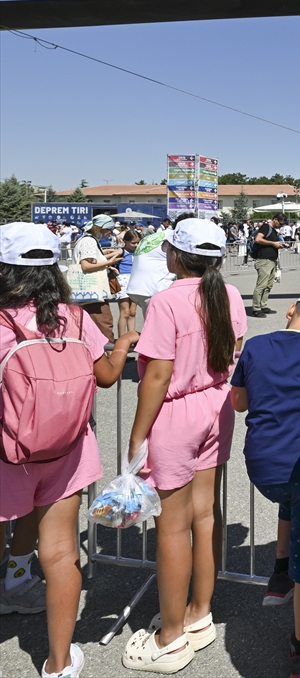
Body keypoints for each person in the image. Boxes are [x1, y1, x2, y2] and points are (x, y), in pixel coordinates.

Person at [0, 223, 135, 678]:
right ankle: (59, 664)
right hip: (65, 453)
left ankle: (13, 586)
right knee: (60, 554)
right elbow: (107, 376)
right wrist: (126, 342)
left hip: (5, 457)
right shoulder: (74, 317)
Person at [122, 219, 247, 673]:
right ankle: (198, 613)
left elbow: (156, 374)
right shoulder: (229, 294)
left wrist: (137, 435)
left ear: (175, 254)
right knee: (204, 513)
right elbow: (234, 345)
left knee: (171, 526)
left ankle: (170, 636)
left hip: (176, 413)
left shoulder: (167, 300)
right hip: (216, 405)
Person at [231, 286, 300, 678]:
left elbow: (239, 402)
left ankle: (280, 571)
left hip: (261, 465)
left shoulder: (256, 346)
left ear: (292, 310)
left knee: (288, 499)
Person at [71, 214, 123, 342]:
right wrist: (109, 262)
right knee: (104, 323)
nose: (108, 234)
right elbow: (86, 265)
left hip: (87, 291)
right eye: (108, 231)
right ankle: (110, 355)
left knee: (91, 326)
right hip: (93, 291)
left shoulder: (86, 239)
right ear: (101, 229)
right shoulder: (89, 241)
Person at [126, 221, 176, 318]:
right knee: (158, 328)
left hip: (137, 287)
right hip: (153, 288)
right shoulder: (174, 237)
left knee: (152, 324)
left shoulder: (155, 236)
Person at [252, 213, 288, 319]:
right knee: (261, 285)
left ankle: (263, 305)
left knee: (269, 285)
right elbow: (258, 239)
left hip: (272, 261)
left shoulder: (273, 230)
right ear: (275, 219)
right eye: (280, 223)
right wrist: (273, 244)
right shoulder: (265, 227)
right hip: (264, 261)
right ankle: (256, 308)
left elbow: (270, 242)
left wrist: (280, 245)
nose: (281, 226)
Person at [115, 229, 140, 337]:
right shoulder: (121, 252)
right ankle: (122, 338)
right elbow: (109, 262)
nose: (136, 245)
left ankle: (131, 336)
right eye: (133, 243)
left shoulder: (139, 252)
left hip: (135, 279)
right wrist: (112, 269)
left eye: (138, 242)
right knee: (124, 312)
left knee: (133, 311)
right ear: (125, 241)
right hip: (123, 280)